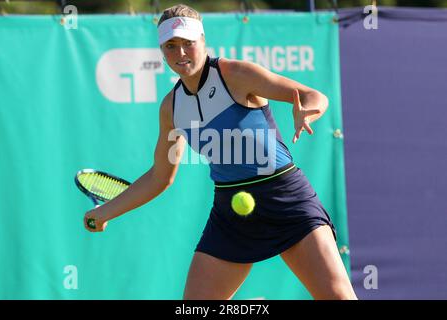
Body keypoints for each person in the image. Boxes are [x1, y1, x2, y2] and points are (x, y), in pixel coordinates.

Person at [84, 4, 357, 300]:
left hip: (285, 198)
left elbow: (312, 96)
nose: (180, 54)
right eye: (171, 46)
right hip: (230, 213)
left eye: (187, 43)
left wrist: (309, 110)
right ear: (162, 50)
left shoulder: (236, 74)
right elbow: (160, 177)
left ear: (202, 40)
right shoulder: (172, 108)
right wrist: (104, 212)